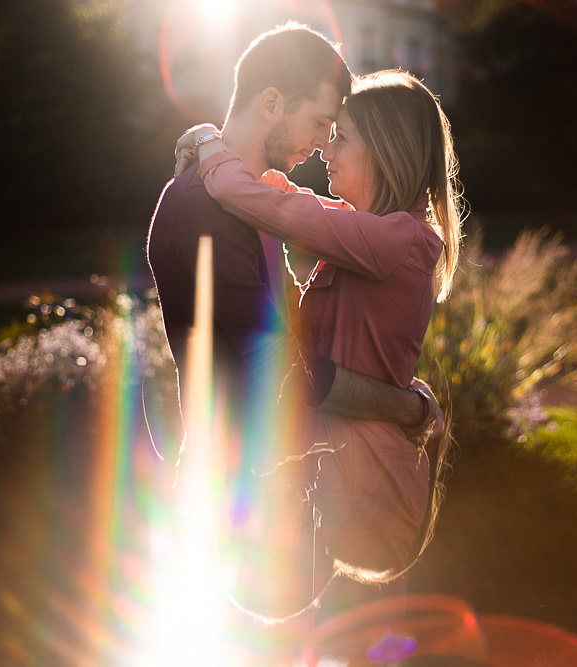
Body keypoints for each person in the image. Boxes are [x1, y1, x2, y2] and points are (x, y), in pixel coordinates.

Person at [146, 25, 442, 619]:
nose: (323, 144)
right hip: (255, 499)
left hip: (320, 496)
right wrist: (408, 407)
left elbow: (285, 207)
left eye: (340, 135)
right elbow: (285, 375)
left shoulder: (249, 203)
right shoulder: (208, 209)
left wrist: (212, 148)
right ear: (273, 103)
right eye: (321, 125)